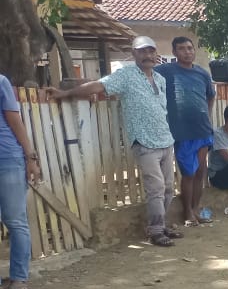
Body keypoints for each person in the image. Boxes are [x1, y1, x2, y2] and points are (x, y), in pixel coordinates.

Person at [49, 36, 183, 246]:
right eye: (142, 51)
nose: (147, 55)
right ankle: (156, 231)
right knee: (155, 187)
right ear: (135, 54)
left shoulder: (160, 79)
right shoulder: (126, 75)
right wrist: (66, 93)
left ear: (155, 54)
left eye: (150, 51)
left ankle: (161, 225)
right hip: (144, 141)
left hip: (165, 139)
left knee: (167, 187)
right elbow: (98, 86)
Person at [155, 36, 215, 226]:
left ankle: (196, 209)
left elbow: (210, 96)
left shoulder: (202, 74)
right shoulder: (165, 71)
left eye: (190, 48)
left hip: (202, 129)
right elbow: (146, 75)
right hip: (181, 132)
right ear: (174, 53)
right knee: (188, 173)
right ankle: (187, 212)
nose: (187, 52)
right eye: (182, 49)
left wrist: (207, 115)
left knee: (200, 172)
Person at [0, 73, 39, 289]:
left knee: (15, 220)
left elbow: (15, 121)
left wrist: (30, 158)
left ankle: (18, 277)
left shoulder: (1, 82)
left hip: (7, 158)